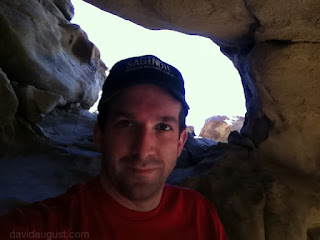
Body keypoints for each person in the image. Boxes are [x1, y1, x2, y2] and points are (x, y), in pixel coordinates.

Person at [0, 55, 227, 240]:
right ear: (99, 135)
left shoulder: (199, 213)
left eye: (162, 127)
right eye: (126, 124)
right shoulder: (45, 226)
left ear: (180, 142)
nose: (143, 149)